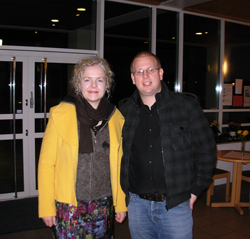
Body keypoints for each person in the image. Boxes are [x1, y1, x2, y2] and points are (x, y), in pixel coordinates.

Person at [119, 51, 216, 239]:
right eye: (139, 72)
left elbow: (207, 149)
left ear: (161, 73)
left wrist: (197, 190)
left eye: (150, 70)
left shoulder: (186, 106)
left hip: (176, 205)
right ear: (132, 78)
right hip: (137, 205)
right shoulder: (123, 111)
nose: (145, 76)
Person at [38, 56, 127, 239]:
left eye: (99, 80)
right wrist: (46, 207)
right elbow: (46, 164)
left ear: (107, 84)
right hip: (68, 205)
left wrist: (120, 204)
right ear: (79, 84)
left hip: (103, 205)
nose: (93, 85)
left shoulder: (116, 117)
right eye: (87, 79)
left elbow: (120, 165)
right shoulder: (60, 114)